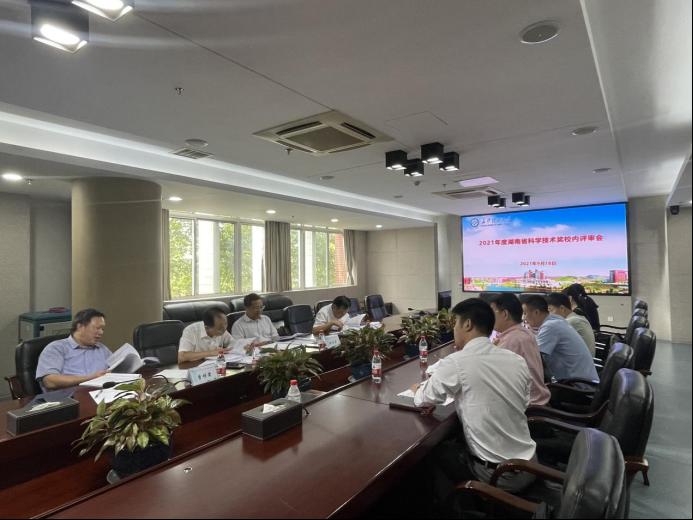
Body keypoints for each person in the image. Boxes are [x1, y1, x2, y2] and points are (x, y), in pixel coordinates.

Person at [412, 298, 537, 513]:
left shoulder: (458, 361)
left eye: (455, 323)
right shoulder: (515, 360)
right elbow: (524, 401)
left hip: (500, 475)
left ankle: (459, 509)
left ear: (467, 324)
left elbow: (424, 398)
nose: (453, 329)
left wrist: (417, 389)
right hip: (531, 465)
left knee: (435, 452)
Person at [490, 293, 551, 406]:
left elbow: (492, 376)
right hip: (538, 400)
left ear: (505, 314)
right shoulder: (523, 333)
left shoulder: (512, 340)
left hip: (528, 406)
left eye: (492, 313)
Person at [522, 295, 599, 383]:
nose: (523, 318)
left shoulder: (551, 326)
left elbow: (533, 355)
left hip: (578, 385)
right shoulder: (555, 321)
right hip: (579, 380)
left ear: (536, 312)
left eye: (525, 313)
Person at [36, 308, 111, 391]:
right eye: (97, 328)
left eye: (102, 329)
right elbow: (49, 381)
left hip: (103, 394)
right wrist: (90, 378)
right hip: (69, 396)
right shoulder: (56, 348)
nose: (101, 332)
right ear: (80, 327)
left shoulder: (102, 349)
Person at [178, 307, 257, 363]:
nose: (224, 329)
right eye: (220, 328)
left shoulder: (222, 328)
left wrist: (244, 347)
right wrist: (211, 353)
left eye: (226, 324)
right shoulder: (190, 331)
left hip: (216, 365)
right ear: (207, 328)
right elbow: (182, 357)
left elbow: (232, 344)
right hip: (194, 368)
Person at [547, 292, 596, 356]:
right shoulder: (574, 318)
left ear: (562, 308)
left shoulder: (572, 321)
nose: (548, 314)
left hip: (580, 360)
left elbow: (549, 341)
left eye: (550, 310)